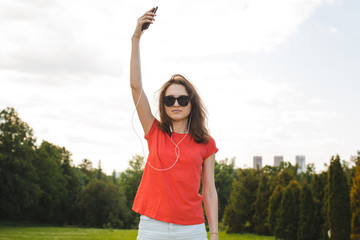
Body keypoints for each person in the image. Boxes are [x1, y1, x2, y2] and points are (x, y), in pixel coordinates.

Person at [130, 8, 219, 240]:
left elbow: (209, 191)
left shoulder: (206, 142)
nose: (176, 103)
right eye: (170, 99)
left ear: (192, 103)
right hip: (152, 227)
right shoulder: (154, 131)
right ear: (164, 104)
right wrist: (136, 38)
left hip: (192, 229)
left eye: (182, 98)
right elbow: (136, 87)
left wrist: (215, 233)